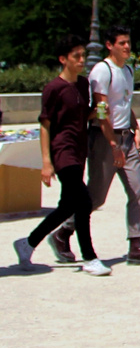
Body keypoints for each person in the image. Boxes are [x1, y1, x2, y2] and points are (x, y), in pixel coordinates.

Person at [50, 25, 140, 266]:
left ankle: (136, 244)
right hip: (104, 139)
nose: (128, 47)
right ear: (109, 45)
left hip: (126, 139)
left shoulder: (128, 70)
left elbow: (123, 105)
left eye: (128, 42)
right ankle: (63, 232)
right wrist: (112, 144)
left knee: (137, 192)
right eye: (122, 43)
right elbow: (102, 110)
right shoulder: (102, 71)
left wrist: (136, 129)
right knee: (96, 198)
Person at [13, 36, 108, 275]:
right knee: (84, 202)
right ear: (63, 59)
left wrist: (97, 113)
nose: (81, 60)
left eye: (83, 55)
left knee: (68, 206)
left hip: (79, 150)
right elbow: (45, 125)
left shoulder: (83, 85)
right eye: (76, 56)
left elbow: (81, 117)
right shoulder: (53, 89)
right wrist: (46, 162)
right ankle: (89, 258)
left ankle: (28, 242)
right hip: (62, 152)